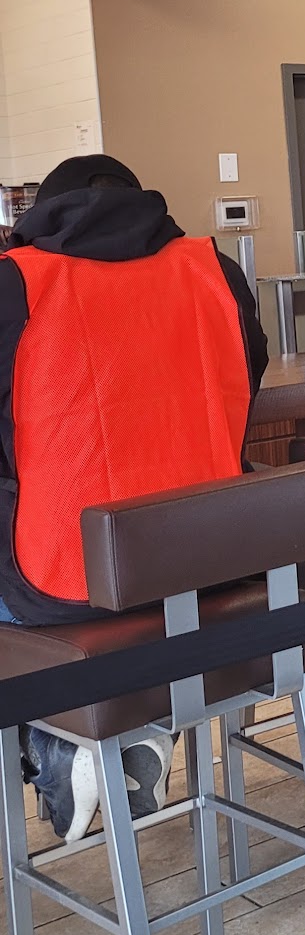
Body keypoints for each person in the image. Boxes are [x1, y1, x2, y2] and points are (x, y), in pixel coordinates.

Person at [0, 156, 268, 840]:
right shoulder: (216, 271)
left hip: (63, 583)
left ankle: (64, 739)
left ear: (39, 212)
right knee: (148, 594)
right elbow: (247, 382)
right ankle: (141, 721)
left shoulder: (14, 283)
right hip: (210, 565)